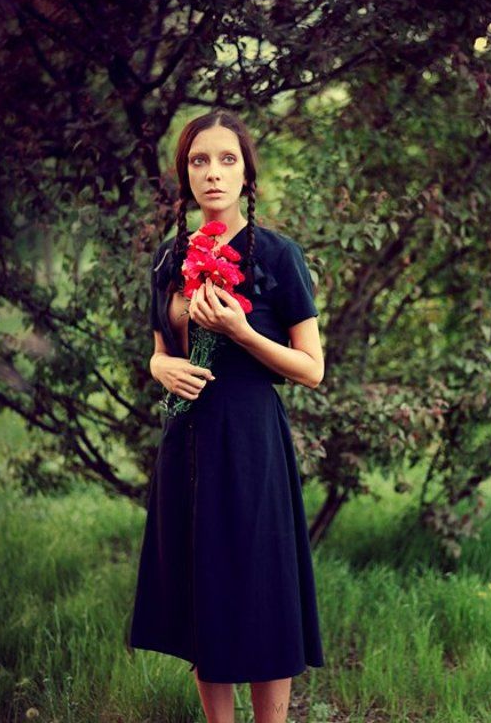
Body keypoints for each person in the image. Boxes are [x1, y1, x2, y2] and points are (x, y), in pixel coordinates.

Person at [128, 109, 326, 723]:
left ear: (247, 175)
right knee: (200, 590)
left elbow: (312, 368)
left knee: (261, 589)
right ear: (185, 177)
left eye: (227, 159)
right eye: (199, 161)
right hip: (187, 442)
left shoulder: (277, 255)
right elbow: (163, 351)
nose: (213, 173)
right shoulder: (170, 260)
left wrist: (242, 332)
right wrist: (160, 368)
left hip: (250, 443)